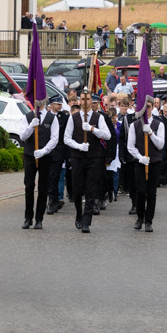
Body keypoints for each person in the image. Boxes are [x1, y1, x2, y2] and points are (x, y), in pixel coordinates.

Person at [63, 90, 111, 233]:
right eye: (82, 99)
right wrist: (78, 146)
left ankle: (86, 220)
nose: (85, 101)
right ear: (79, 101)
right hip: (78, 157)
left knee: (91, 189)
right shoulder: (74, 117)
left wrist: (92, 129)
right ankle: (79, 215)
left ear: (92, 101)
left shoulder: (98, 117)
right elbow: (66, 138)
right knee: (77, 189)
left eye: (87, 99)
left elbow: (107, 135)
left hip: (93, 158)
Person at [18, 98, 59, 229]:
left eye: (41, 99)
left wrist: (43, 151)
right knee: (29, 186)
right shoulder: (27, 117)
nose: (39, 101)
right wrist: (31, 126)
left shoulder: (52, 118)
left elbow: (54, 138)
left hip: (45, 156)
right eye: (37, 99)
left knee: (43, 187)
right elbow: (22, 137)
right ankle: (28, 218)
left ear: (45, 101)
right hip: (30, 155)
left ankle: (39, 219)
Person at [127, 98, 166, 232]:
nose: (146, 110)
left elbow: (160, 144)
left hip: (154, 162)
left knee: (151, 192)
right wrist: (139, 157)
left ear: (152, 108)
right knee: (141, 191)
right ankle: (140, 217)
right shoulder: (134, 125)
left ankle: (149, 220)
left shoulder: (158, 124)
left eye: (148, 107)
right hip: (140, 162)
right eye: (143, 107)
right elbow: (130, 146)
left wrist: (150, 133)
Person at [116, 95, 138, 213]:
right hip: (130, 156)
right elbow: (122, 138)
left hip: (144, 156)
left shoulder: (148, 119)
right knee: (132, 181)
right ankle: (134, 203)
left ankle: (142, 202)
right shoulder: (127, 119)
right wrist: (122, 155)